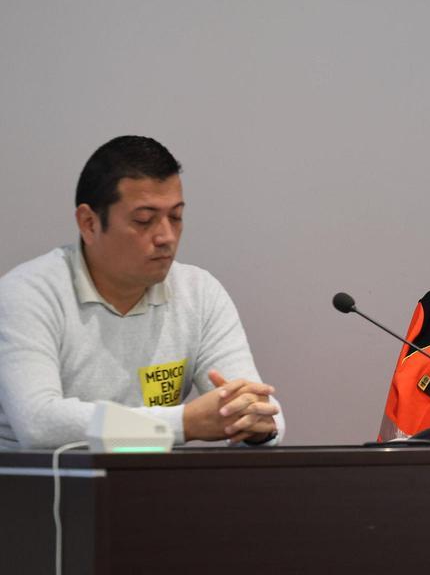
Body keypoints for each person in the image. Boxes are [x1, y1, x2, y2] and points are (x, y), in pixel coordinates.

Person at [0, 136, 282, 449]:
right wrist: (183, 423)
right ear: (89, 223)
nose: (166, 236)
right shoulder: (27, 293)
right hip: (36, 480)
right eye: (144, 220)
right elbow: (39, 424)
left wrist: (255, 425)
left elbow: (264, 411)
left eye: (176, 217)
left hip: (150, 480)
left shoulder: (199, 294)